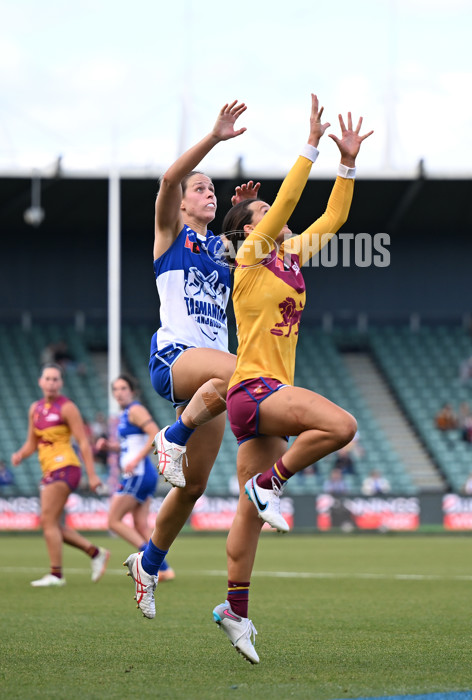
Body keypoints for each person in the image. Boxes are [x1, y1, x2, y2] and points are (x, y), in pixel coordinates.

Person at [211, 95, 372, 664]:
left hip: (260, 401)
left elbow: (334, 219)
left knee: (246, 521)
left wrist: (346, 163)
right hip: (256, 390)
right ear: (249, 230)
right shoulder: (251, 256)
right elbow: (285, 204)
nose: (274, 217)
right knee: (342, 426)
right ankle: (270, 484)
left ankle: (235, 611)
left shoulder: (288, 256)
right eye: (261, 214)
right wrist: (310, 145)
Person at [124, 100, 254, 618]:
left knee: (192, 485)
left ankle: (148, 563)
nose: (208, 193)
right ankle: (172, 436)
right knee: (247, 372)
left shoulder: (220, 249)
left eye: (212, 189)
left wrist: (241, 214)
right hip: (176, 359)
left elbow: (250, 244)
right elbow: (168, 179)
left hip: (212, 375)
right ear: (181, 204)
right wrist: (215, 138)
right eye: (200, 188)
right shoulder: (169, 234)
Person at [10, 363, 109, 587]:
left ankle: (56, 575)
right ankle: (95, 553)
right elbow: (31, 442)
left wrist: (92, 475)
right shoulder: (35, 409)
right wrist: (20, 455)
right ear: (40, 382)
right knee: (51, 523)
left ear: (61, 383)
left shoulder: (67, 407)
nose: (51, 383)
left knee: (48, 521)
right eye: (47, 378)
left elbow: (83, 442)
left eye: (55, 379)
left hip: (66, 467)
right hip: (49, 469)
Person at [96, 375, 174, 582]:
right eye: (116, 389)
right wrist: (110, 447)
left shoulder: (135, 410)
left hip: (138, 474)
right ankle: (164, 570)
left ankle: (149, 563)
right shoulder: (125, 414)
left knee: (113, 521)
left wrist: (135, 460)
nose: (119, 393)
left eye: (123, 388)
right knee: (140, 525)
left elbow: (154, 433)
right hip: (141, 474)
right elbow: (130, 445)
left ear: (132, 391)